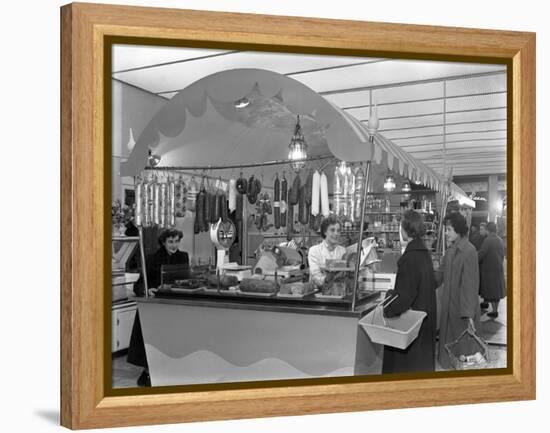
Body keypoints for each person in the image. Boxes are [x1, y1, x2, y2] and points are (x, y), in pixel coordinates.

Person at [127, 229, 189, 387]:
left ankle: (169, 370)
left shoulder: (183, 257)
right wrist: (147, 289)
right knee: (151, 340)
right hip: (155, 305)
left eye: (177, 241)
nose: (174, 245)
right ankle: (147, 371)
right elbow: (140, 283)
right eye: (170, 242)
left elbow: (187, 280)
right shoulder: (152, 258)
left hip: (175, 304)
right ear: (163, 242)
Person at [382, 210, 437, 374]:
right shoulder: (424, 253)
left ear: (405, 229)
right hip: (425, 321)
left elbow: (403, 298)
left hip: (412, 329)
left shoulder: (409, 258)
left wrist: (387, 304)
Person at [435, 212, 481, 370]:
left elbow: (471, 284)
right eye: (445, 229)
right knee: (451, 350)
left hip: (462, 311)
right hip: (449, 308)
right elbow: (438, 276)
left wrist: (469, 314)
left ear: (458, 229)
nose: (446, 233)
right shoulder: (449, 252)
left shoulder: (469, 251)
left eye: (448, 229)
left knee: (464, 352)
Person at [308, 215, 347, 288]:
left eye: (338, 231)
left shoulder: (342, 250)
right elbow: (315, 275)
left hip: (337, 291)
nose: (336, 233)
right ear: (325, 232)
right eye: (332, 230)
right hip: (317, 292)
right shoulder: (314, 250)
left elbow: (343, 274)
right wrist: (327, 279)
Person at [478, 222, 505, 318]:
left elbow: (481, 254)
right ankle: (495, 310)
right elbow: (502, 255)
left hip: (489, 270)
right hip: (498, 268)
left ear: (488, 230)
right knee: (496, 291)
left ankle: (494, 311)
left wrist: (473, 258)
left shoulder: (488, 240)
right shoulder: (500, 240)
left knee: (492, 291)